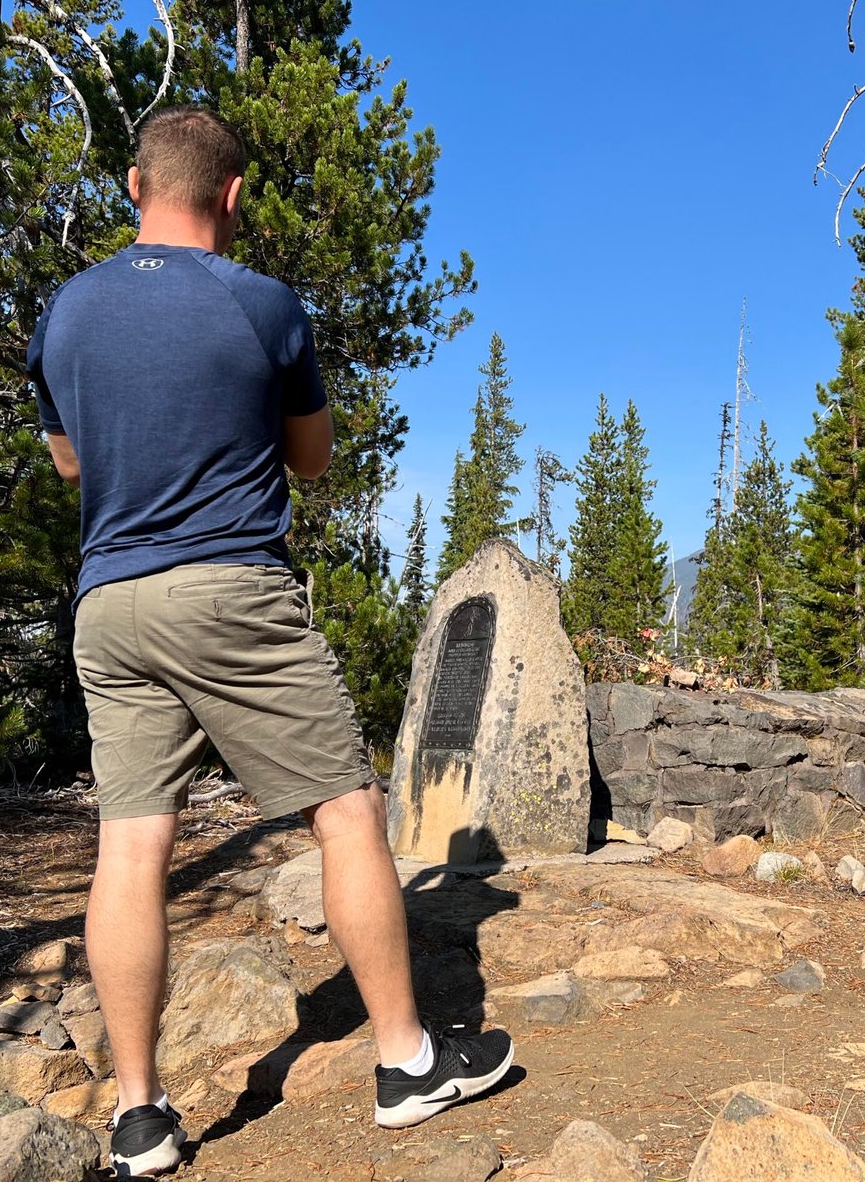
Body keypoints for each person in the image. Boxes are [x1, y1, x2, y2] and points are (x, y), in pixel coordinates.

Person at [28, 106, 514, 1178]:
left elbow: (70, 464)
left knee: (132, 845)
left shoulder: (64, 313)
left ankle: (141, 1115)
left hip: (110, 602)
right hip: (231, 590)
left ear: (131, 186)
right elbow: (314, 458)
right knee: (345, 811)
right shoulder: (263, 305)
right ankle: (405, 1062)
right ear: (233, 195)